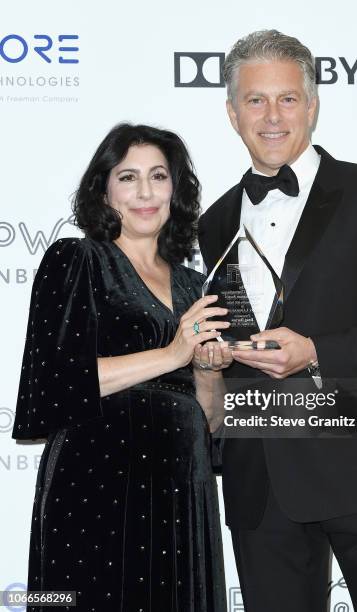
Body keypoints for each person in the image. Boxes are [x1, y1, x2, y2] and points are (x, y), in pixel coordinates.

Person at [198, 30, 357, 612]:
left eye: (288, 98)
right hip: (259, 483)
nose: (273, 116)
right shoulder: (211, 223)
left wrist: (316, 351)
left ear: (312, 104)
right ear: (232, 113)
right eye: (255, 100)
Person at [12, 123, 232, 612]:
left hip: (181, 486)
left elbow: (211, 420)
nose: (146, 192)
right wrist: (173, 353)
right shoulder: (76, 260)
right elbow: (53, 384)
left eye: (159, 176)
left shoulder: (198, 288)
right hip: (94, 483)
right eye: (128, 177)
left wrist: (207, 369)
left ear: (176, 190)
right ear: (104, 189)